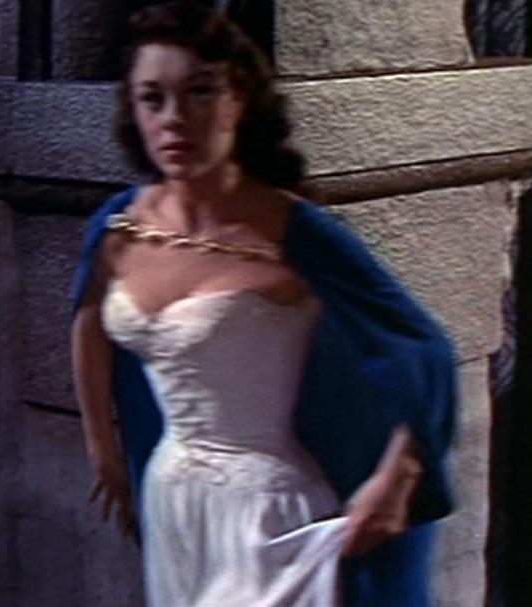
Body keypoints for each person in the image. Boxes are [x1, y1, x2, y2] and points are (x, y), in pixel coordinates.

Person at [71, 2, 456, 605]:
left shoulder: (292, 229)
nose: (174, 119)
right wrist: (104, 450)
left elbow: (421, 346)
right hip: (174, 499)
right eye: (153, 99)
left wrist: (400, 471)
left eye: (200, 91)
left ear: (239, 98)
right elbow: (89, 321)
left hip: (270, 511)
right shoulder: (119, 225)